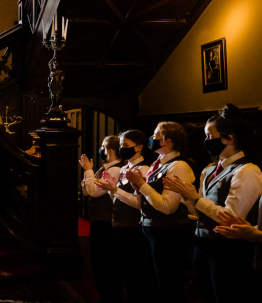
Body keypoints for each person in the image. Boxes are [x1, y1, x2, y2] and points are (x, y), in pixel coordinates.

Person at [163, 104, 262, 303]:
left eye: (210, 136)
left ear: (229, 139)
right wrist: (185, 197)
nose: (206, 141)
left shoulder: (247, 171)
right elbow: (198, 212)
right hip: (203, 246)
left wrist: (196, 198)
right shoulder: (209, 170)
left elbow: (231, 218)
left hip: (229, 252)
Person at [120, 122, 195, 303]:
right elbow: (149, 197)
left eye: (155, 135)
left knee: (169, 286)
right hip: (152, 230)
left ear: (167, 141)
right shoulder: (158, 164)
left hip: (169, 233)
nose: (151, 139)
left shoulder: (178, 166)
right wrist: (138, 187)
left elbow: (168, 207)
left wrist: (143, 185)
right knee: (152, 284)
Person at [96, 130, 156, 303]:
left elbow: (140, 204)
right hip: (119, 226)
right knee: (120, 271)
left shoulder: (143, 168)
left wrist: (115, 190)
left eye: (126, 146)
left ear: (138, 147)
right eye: (121, 145)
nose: (122, 149)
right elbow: (116, 198)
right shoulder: (124, 168)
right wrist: (111, 190)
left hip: (134, 229)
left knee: (135, 276)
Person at [79, 136, 124, 303]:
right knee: (98, 262)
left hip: (106, 223)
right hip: (98, 221)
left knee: (106, 264)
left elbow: (93, 191)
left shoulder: (115, 170)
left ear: (110, 150)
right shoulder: (105, 168)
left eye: (103, 147)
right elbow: (85, 190)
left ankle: (110, 297)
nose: (101, 150)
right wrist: (89, 174)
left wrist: (88, 171)